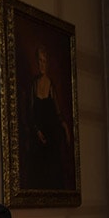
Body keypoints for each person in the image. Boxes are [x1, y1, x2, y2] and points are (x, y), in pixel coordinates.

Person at [21, 44, 73, 190]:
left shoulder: (51, 85)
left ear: (47, 63)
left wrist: (66, 128)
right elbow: (30, 113)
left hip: (51, 133)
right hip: (37, 133)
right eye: (39, 61)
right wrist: (37, 131)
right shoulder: (33, 85)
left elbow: (57, 113)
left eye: (44, 61)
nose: (41, 64)